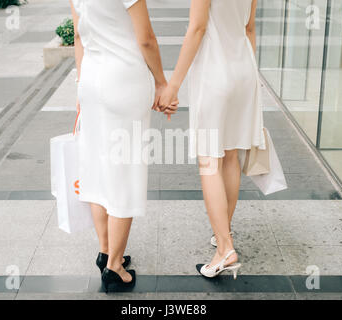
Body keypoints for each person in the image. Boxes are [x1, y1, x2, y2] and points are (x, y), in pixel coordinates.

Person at [70, 0, 176, 292]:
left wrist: (82, 83)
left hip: (90, 80)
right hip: (124, 81)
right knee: (124, 171)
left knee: (98, 168)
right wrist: (161, 83)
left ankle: (106, 251)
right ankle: (115, 268)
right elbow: (146, 39)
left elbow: (79, 36)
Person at [159, 0, 264, 279]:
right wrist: (248, 77)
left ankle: (225, 249)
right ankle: (222, 235)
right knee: (230, 156)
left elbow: (197, 28)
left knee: (209, 160)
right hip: (244, 72)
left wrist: (173, 85)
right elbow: (249, 29)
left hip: (214, 76)